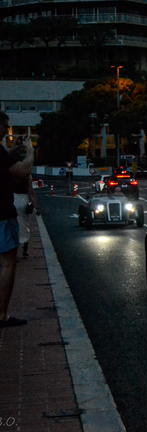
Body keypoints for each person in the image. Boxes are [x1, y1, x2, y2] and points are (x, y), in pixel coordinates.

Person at [0, 110, 34, 328]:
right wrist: (30, 151)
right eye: (5, 126)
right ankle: (2, 315)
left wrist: (11, 150)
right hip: (2, 214)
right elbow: (23, 170)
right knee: (7, 263)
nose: (6, 130)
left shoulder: (1, 152)